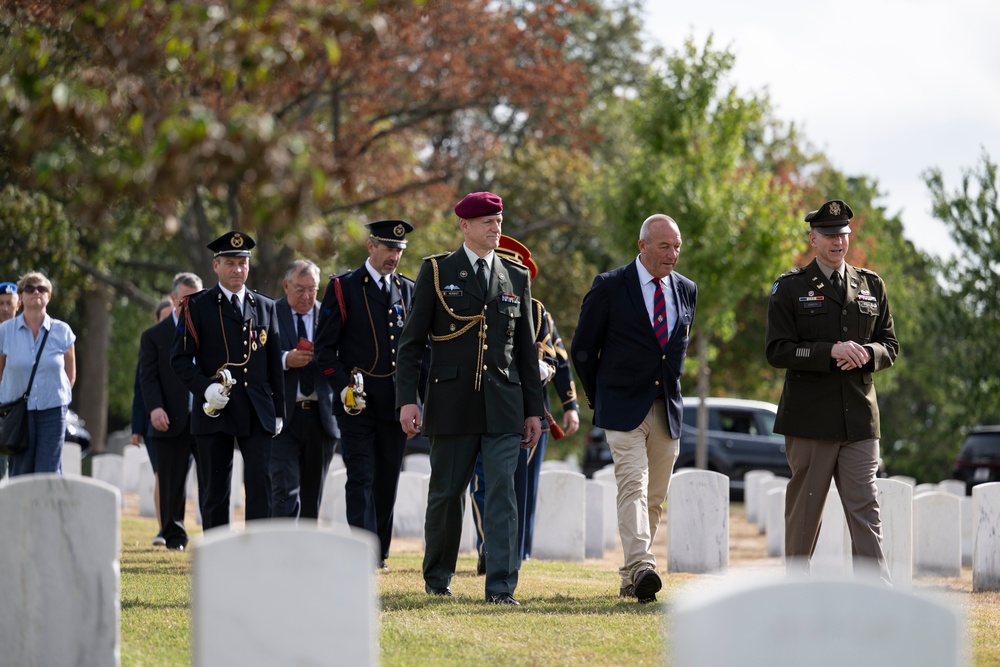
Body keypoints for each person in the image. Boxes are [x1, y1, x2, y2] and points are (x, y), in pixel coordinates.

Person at [397, 191, 544, 605]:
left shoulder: (516, 275)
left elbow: (526, 353)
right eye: (487, 222)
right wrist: (408, 399)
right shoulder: (438, 271)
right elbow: (411, 343)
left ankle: (500, 586)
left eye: (498, 221)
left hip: (504, 405)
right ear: (465, 226)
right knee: (446, 494)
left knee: (502, 494)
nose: (496, 228)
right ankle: (438, 576)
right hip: (451, 401)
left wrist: (535, 410)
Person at [765, 199, 898, 582]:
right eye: (828, 235)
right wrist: (829, 352)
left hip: (858, 418)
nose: (838, 241)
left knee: (866, 508)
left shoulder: (871, 284)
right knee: (805, 512)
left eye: (843, 234)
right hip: (810, 420)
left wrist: (867, 354)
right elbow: (778, 350)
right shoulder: (790, 288)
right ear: (813, 238)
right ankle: (795, 589)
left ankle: (877, 593)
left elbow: (890, 345)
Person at [571, 214, 697, 603]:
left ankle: (631, 577)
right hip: (623, 406)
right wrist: (601, 396)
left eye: (676, 246)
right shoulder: (610, 286)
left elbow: (674, 349)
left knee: (655, 497)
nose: (672, 254)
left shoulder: (687, 290)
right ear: (642, 246)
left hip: (667, 407)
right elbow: (582, 350)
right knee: (632, 485)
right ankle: (643, 564)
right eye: (664, 246)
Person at [468, 235, 580, 573]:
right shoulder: (475, 302)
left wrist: (571, 405)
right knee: (483, 483)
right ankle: (490, 548)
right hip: (481, 404)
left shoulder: (536, 309)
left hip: (529, 411)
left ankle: (517, 552)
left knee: (521, 488)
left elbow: (558, 358)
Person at [315, 220, 415, 568]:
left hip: (396, 402)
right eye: (388, 248)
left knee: (387, 477)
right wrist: (344, 387)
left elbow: (419, 351)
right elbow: (324, 350)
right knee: (361, 476)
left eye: (399, 251)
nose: (394, 257)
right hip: (355, 403)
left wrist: (415, 396)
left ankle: (380, 551)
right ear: (371, 246)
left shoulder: (408, 290)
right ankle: (362, 551)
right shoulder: (343, 287)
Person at [170, 231, 284, 529]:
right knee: (215, 489)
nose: (237, 270)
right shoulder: (197, 305)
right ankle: (218, 557)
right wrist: (205, 388)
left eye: (242, 263)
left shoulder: (265, 306)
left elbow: (274, 363)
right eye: (230, 263)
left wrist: (280, 411)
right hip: (216, 409)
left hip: (257, 408)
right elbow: (179, 358)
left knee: (261, 484)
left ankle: (259, 553)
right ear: (216, 266)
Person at [271, 259, 339, 522]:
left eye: (313, 289)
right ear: (286, 286)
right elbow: (255, 360)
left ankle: (306, 555)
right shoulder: (271, 313)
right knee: (285, 491)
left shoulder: (329, 315)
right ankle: (282, 552)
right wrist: (285, 359)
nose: (307, 296)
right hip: (284, 418)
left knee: (313, 494)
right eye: (300, 289)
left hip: (320, 418)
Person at [140, 275, 203, 551]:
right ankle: (174, 536)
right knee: (171, 482)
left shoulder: (212, 331)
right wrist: (155, 408)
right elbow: (148, 377)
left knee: (212, 479)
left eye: (197, 298)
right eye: (187, 299)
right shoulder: (154, 336)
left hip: (205, 416)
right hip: (169, 417)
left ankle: (215, 533)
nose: (192, 304)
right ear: (174, 299)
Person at [0, 272, 77, 476]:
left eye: (41, 289)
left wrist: (56, 396)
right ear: (22, 297)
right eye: (30, 288)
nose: (36, 292)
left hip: (52, 411)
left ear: (48, 297)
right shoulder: (5, 331)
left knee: (48, 473)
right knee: (20, 472)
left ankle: (47, 510)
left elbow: (70, 374)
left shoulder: (62, 331)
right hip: (17, 413)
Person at [131, 296, 173, 546]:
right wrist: (137, 428)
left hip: (186, 422)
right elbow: (140, 388)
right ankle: (163, 526)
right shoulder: (151, 344)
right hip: (155, 424)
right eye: (165, 318)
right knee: (162, 475)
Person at [0, 282, 19, 480]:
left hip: (16, 409)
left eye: (9, 303)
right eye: (1, 303)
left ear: (18, 304)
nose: (5, 308)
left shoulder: (25, 333)